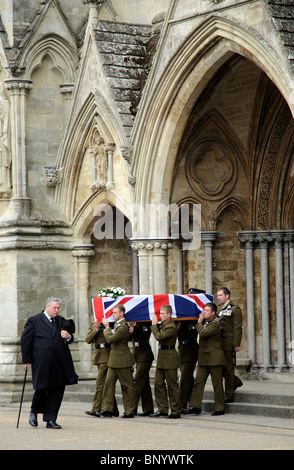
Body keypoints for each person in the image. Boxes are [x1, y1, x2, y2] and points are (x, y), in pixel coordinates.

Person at [21, 297, 78, 429]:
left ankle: (51, 419)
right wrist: (27, 360)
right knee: (42, 388)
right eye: (55, 308)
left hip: (59, 362)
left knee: (57, 390)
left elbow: (70, 337)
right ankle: (34, 412)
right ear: (47, 307)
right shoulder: (34, 320)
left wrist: (68, 336)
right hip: (42, 361)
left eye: (58, 308)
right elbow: (26, 341)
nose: (57, 310)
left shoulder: (60, 320)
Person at [183, 302, 226, 416]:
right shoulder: (206, 323)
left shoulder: (214, 324)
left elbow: (203, 333)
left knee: (217, 384)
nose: (204, 312)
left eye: (206, 310)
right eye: (204, 310)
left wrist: (198, 322)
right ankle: (195, 406)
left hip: (214, 358)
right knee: (198, 382)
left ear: (213, 313)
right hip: (204, 358)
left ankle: (220, 408)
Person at [98, 304, 136, 418]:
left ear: (121, 313)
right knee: (108, 384)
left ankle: (129, 410)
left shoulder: (123, 326)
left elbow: (110, 339)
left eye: (115, 313)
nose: (113, 314)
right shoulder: (118, 325)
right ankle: (107, 409)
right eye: (113, 312)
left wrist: (107, 328)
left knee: (126, 386)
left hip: (122, 360)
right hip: (113, 360)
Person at [149, 304, 181, 419]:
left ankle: (175, 410)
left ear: (169, 314)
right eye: (160, 313)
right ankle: (162, 409)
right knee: (158, 383)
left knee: (172, 385)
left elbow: (159, 337)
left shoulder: (171, 327)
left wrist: (153, 326)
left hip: (170, 358)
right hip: (162, 357)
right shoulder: (163, 324)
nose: (160, 316)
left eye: (162, 314)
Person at [84, 320, 119, 417]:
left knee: (100, 383)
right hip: (99, 356)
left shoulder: (111, 324)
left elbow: (111, 339)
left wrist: (106, 327)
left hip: (107, 355)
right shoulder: (93, 324)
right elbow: (88, 339)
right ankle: (112, 409)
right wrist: (96, 329)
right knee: (105, 384)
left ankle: (96, 409)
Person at [216, 287, 243, 402]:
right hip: (219, 343)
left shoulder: (234, 309)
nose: (218, 297)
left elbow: (237, 327)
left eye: (220, 295)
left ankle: (229, 395)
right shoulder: (218, 309)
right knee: (220, 367)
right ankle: (235, 382)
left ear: (227, 296)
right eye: (217, 295)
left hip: (228, 343)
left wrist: (236, 344)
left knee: (228, 368)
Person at [129, 322, 154, 416]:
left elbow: (145, 334)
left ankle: (131, 408)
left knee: (138, 381)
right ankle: (148, 409)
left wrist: (134, 329)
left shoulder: (146, 323)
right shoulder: (132, 323)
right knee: (145, 384)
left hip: (145, 355)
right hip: (137, 354)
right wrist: (130, 332)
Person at [177, 320, 198, 411]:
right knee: (188, 378)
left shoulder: (193, 319)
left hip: (190, 351)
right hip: (182, 351)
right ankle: (192, 400)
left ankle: (181, 405)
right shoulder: (178, 321)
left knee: (184, 379)